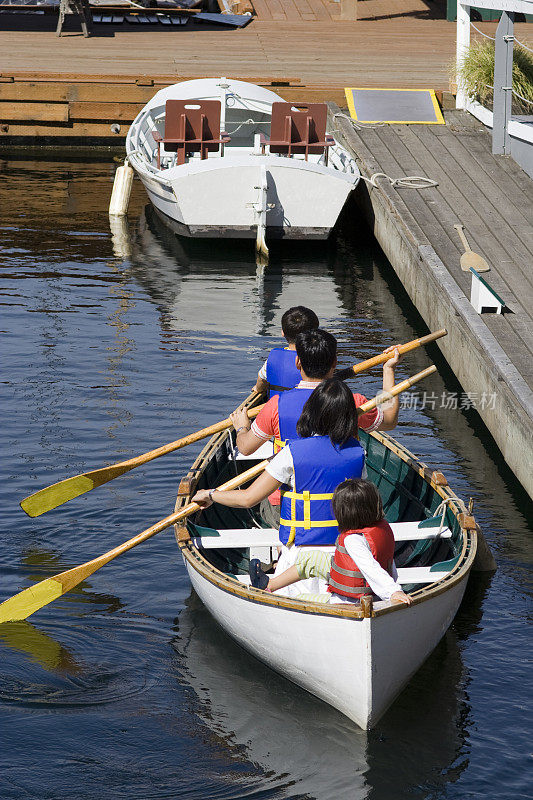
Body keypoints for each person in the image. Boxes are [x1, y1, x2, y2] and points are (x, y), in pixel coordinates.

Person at [193, 379, 367, 596]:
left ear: (311, 413)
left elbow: (248, 498)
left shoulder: (293, 452)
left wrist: (211, 495)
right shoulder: (358, 454)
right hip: (346, 555)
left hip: (299, 559)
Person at [230, 328, 401, 525]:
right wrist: (388, 370)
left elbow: (245, 448)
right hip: (345, 505)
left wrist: (242, 427)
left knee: (269, 501)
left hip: (287, 504)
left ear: (298, 363)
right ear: (334, 363)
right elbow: (390, 420)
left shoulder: (276, 405)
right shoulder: (352, 402)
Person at [249, 478, 412, 606]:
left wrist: (393, 592)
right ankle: (269, 584)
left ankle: (271, 595)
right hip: (366, 588)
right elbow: (388, 563)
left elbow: (372, 568)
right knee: (311, 559)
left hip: (351, 602)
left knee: (298, 598)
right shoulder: (382, 528)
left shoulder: (353, 540)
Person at [254, 305, 319, 398]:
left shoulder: (273, 358)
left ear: (282, 332)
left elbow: (261, 380)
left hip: (277, 408)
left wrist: (258, 389)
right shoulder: (319, 357)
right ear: (316, 334)